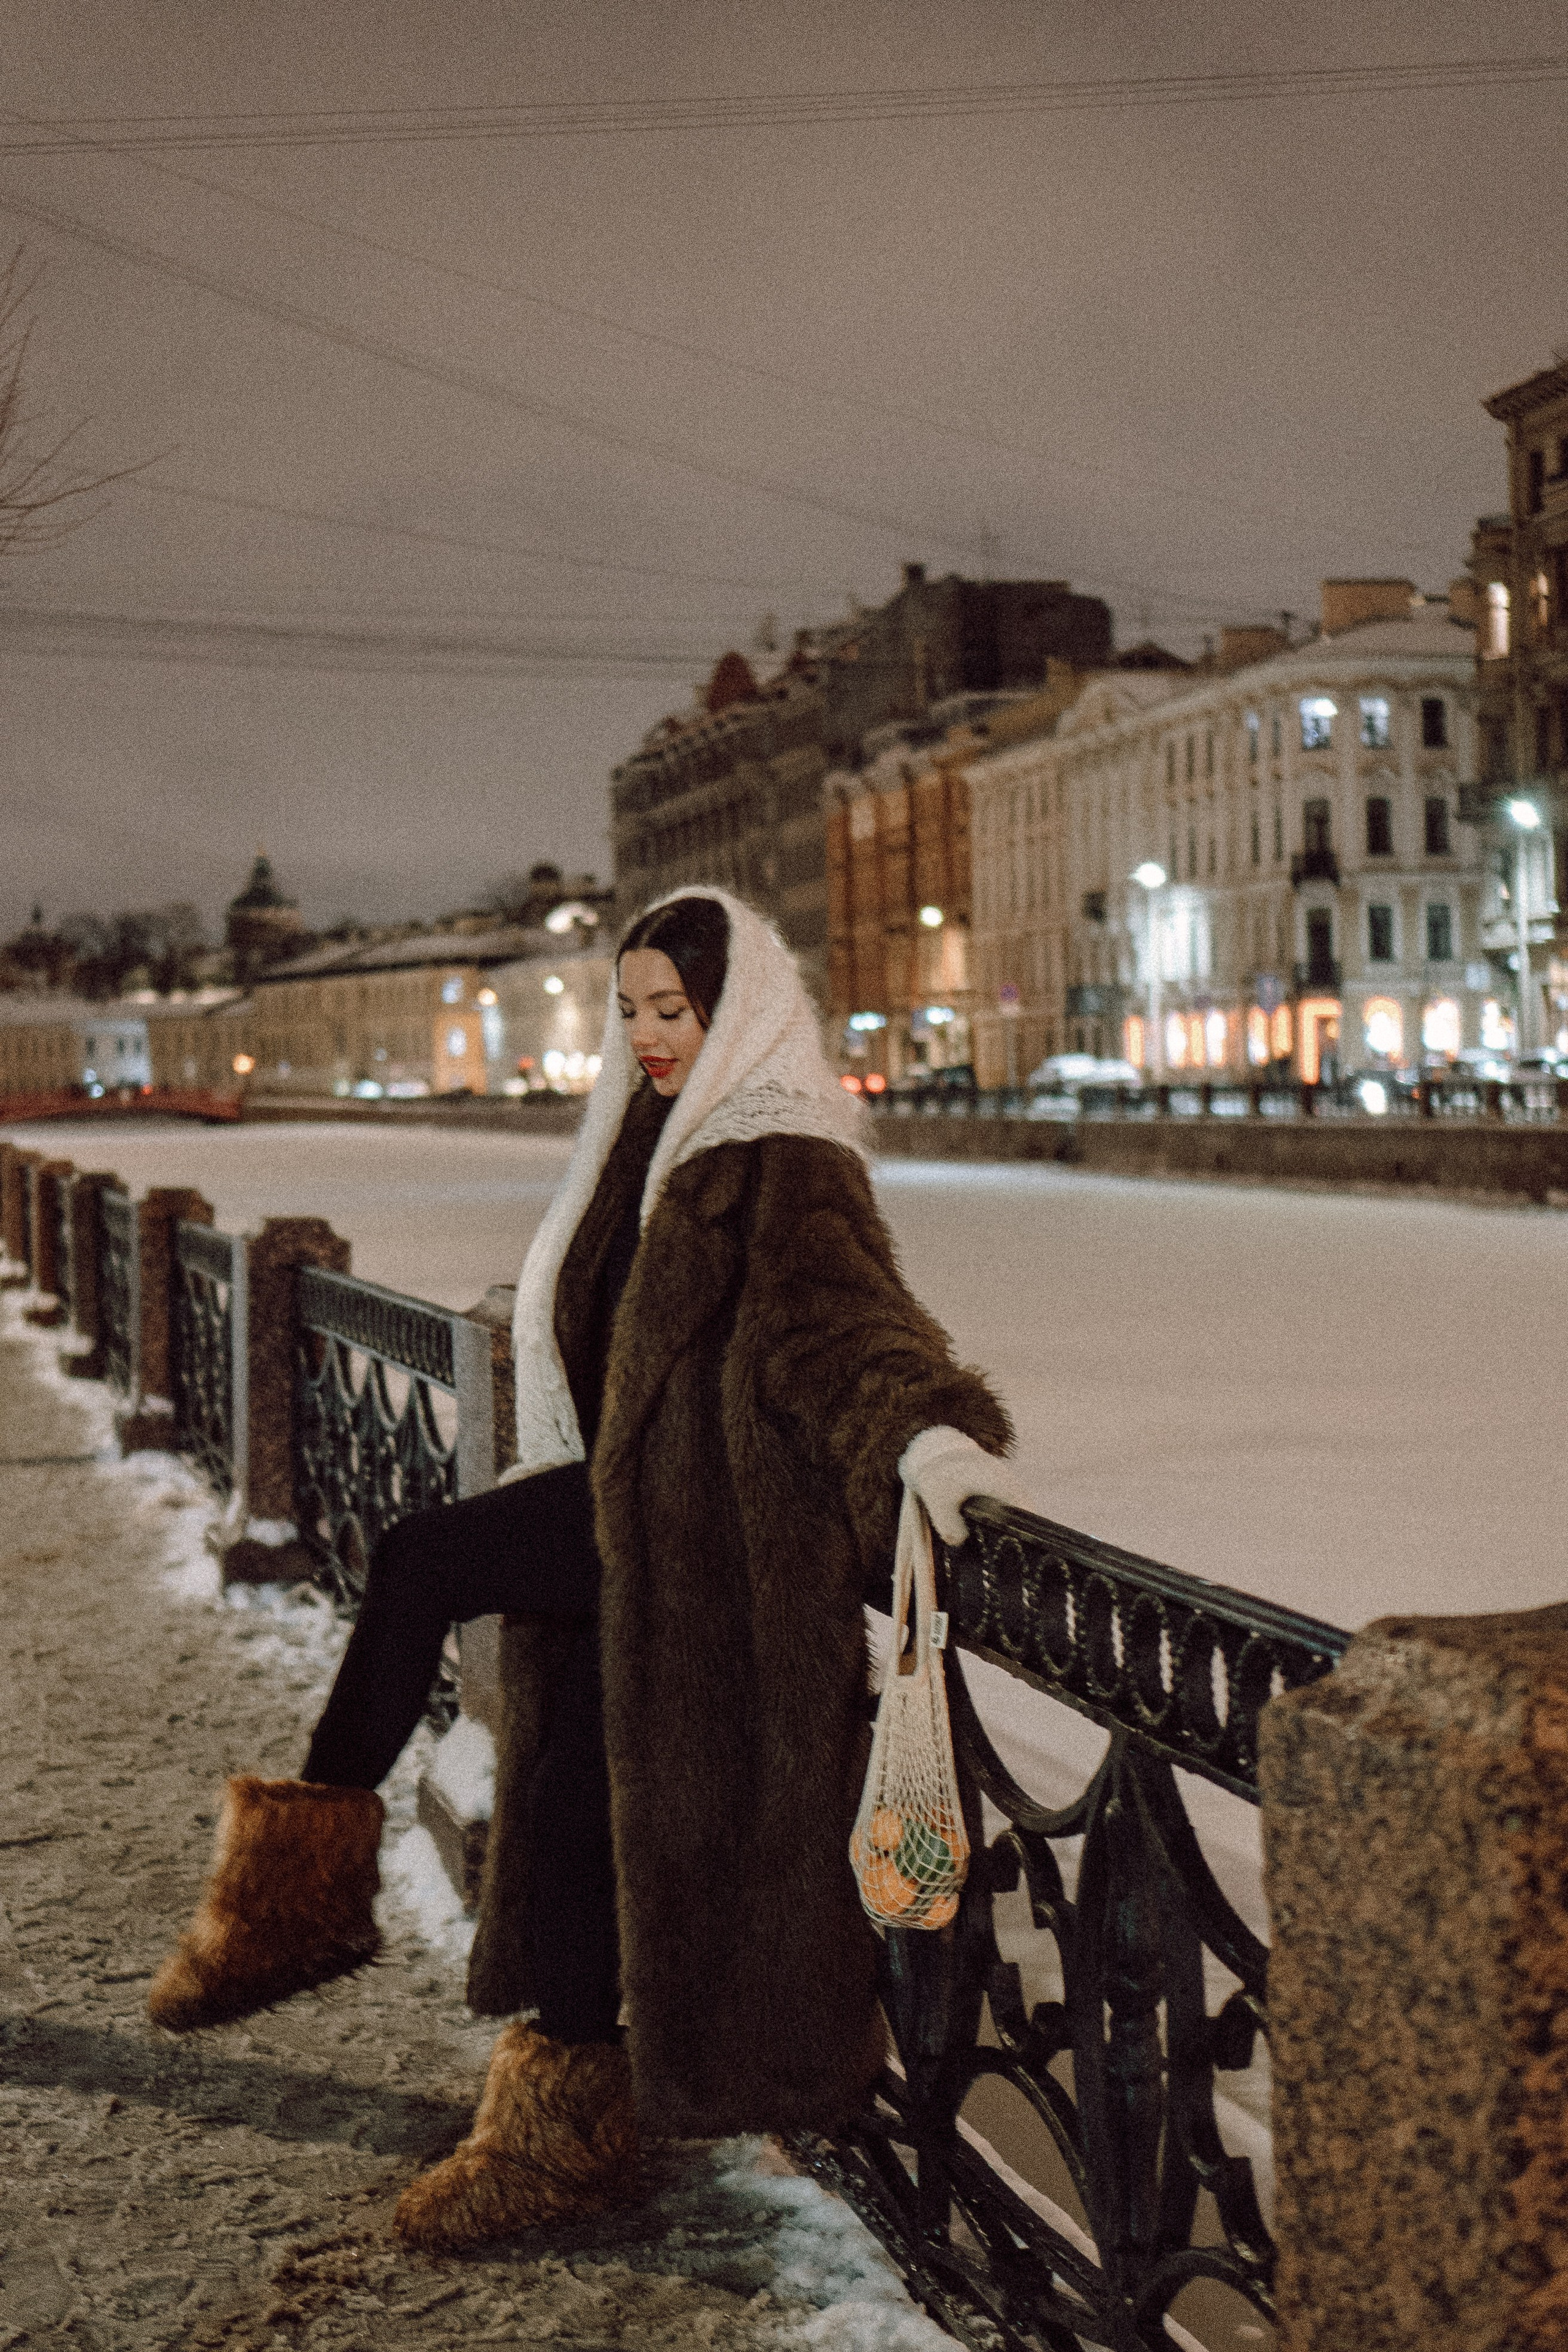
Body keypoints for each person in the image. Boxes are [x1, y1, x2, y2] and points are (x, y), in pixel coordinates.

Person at [147, 888, 1023, 2252]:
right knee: (565, 1812)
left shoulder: (781, 1157)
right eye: (631, 1010)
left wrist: (925, 1434)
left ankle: (294, 1899)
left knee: (425, 1560)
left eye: (673, 1008)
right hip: (628, 1522)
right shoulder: (642, 1144)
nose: (648, 1033)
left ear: (740, 1009)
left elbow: (843, 1329)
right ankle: (554, 2130)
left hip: (707, 1552)